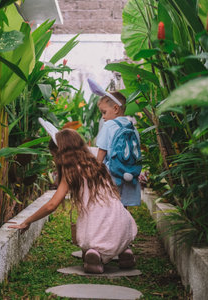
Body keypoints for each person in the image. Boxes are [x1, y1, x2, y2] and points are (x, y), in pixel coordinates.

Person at [9, 128, 137, 274]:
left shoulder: (71, 173)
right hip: (122, 222)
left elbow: (52, 205)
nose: (54, 160)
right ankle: (124, 252)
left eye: (54, 156)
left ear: (61, 153)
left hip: (99, 225)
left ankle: (94, 254)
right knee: (119, 236)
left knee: (92, 243)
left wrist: (28, 221)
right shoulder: (98, 165)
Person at [95, 91, 142, 207]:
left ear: (116, 109)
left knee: (111, 206)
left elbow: (102, 152)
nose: (103, 117)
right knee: (123, 207)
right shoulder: (132, 127)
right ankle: (125, 223)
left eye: (104, 112)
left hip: (112, 175)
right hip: (130, 173)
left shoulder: (108, 126)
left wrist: (94, 171)